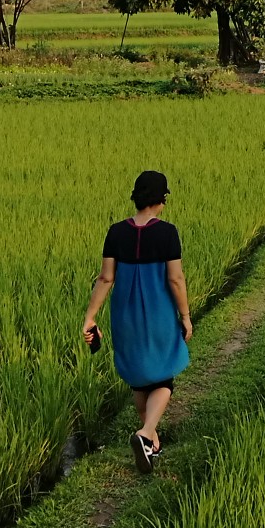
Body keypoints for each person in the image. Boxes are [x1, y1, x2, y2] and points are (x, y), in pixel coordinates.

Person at [82, 169, 192, 472]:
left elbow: (105, 278)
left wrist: (90, 317)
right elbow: (175, 279)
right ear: (161, 199)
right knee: (164, 376)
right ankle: (145, 433)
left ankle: (152, 443)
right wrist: (185, 315)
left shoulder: (116, 232)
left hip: (124, 314)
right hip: (158, 312)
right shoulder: (167, 232)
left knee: (139, 379)